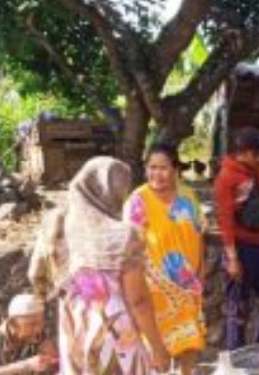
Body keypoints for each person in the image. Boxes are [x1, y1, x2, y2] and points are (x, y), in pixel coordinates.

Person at [56, 157, 171, 373]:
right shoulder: (124, 235)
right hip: (114, 327)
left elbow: (40, 280)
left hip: (74, 324)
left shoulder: (57, 224)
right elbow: (137, 300)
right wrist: (157, 347)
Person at [125, 142, 208, 374]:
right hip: (154, 290)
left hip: (189, 286)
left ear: (175, 169)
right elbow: (129, 249)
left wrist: (200, 271)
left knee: (189, 343)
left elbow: (198, 233)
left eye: (163, 168)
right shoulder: (138, 200)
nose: (156, 174)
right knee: (157, 352)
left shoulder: (188, 196)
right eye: (151, 167)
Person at [215, 126, 259, 350]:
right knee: (238, 308)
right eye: (257, 153)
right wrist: (232, 258)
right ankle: (237, 358)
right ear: (244, 152)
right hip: (241, 249)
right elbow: (225, 219)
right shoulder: (226, 177)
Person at [0, 294, 57, 375]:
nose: (38, 328)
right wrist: (25, 366)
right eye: (31, 324)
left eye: (40, 322)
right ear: (12, 324)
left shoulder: (39, 337)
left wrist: (52, 361)